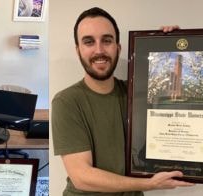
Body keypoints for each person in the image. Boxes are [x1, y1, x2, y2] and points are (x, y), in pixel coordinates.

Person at [52, 7, 194, 196]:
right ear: (78, 51)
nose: (99, 50)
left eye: (107, 40)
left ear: (118, 48)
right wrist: (149, 184)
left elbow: (179, 89)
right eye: (89, 42)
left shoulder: (136, 93)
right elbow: (82, 176)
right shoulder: (66, 101)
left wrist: (172, 46)